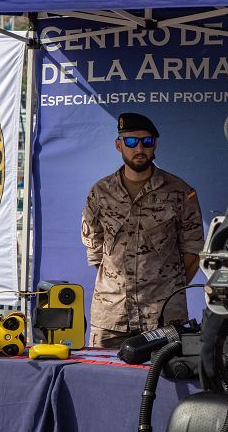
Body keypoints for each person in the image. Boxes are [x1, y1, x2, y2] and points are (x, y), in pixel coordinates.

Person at [80, 112, 204, 349]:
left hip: (163, 318)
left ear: (155, 144)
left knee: (165, 383)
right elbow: (95, 251)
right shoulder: (100, 192)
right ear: (119, 145)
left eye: (146, 142)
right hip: (111, 319)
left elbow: (193, 252)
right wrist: (120, 285)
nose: (139, 148)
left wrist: (165, 289)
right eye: (131, 141)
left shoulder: (180, 193)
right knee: (100, 379)